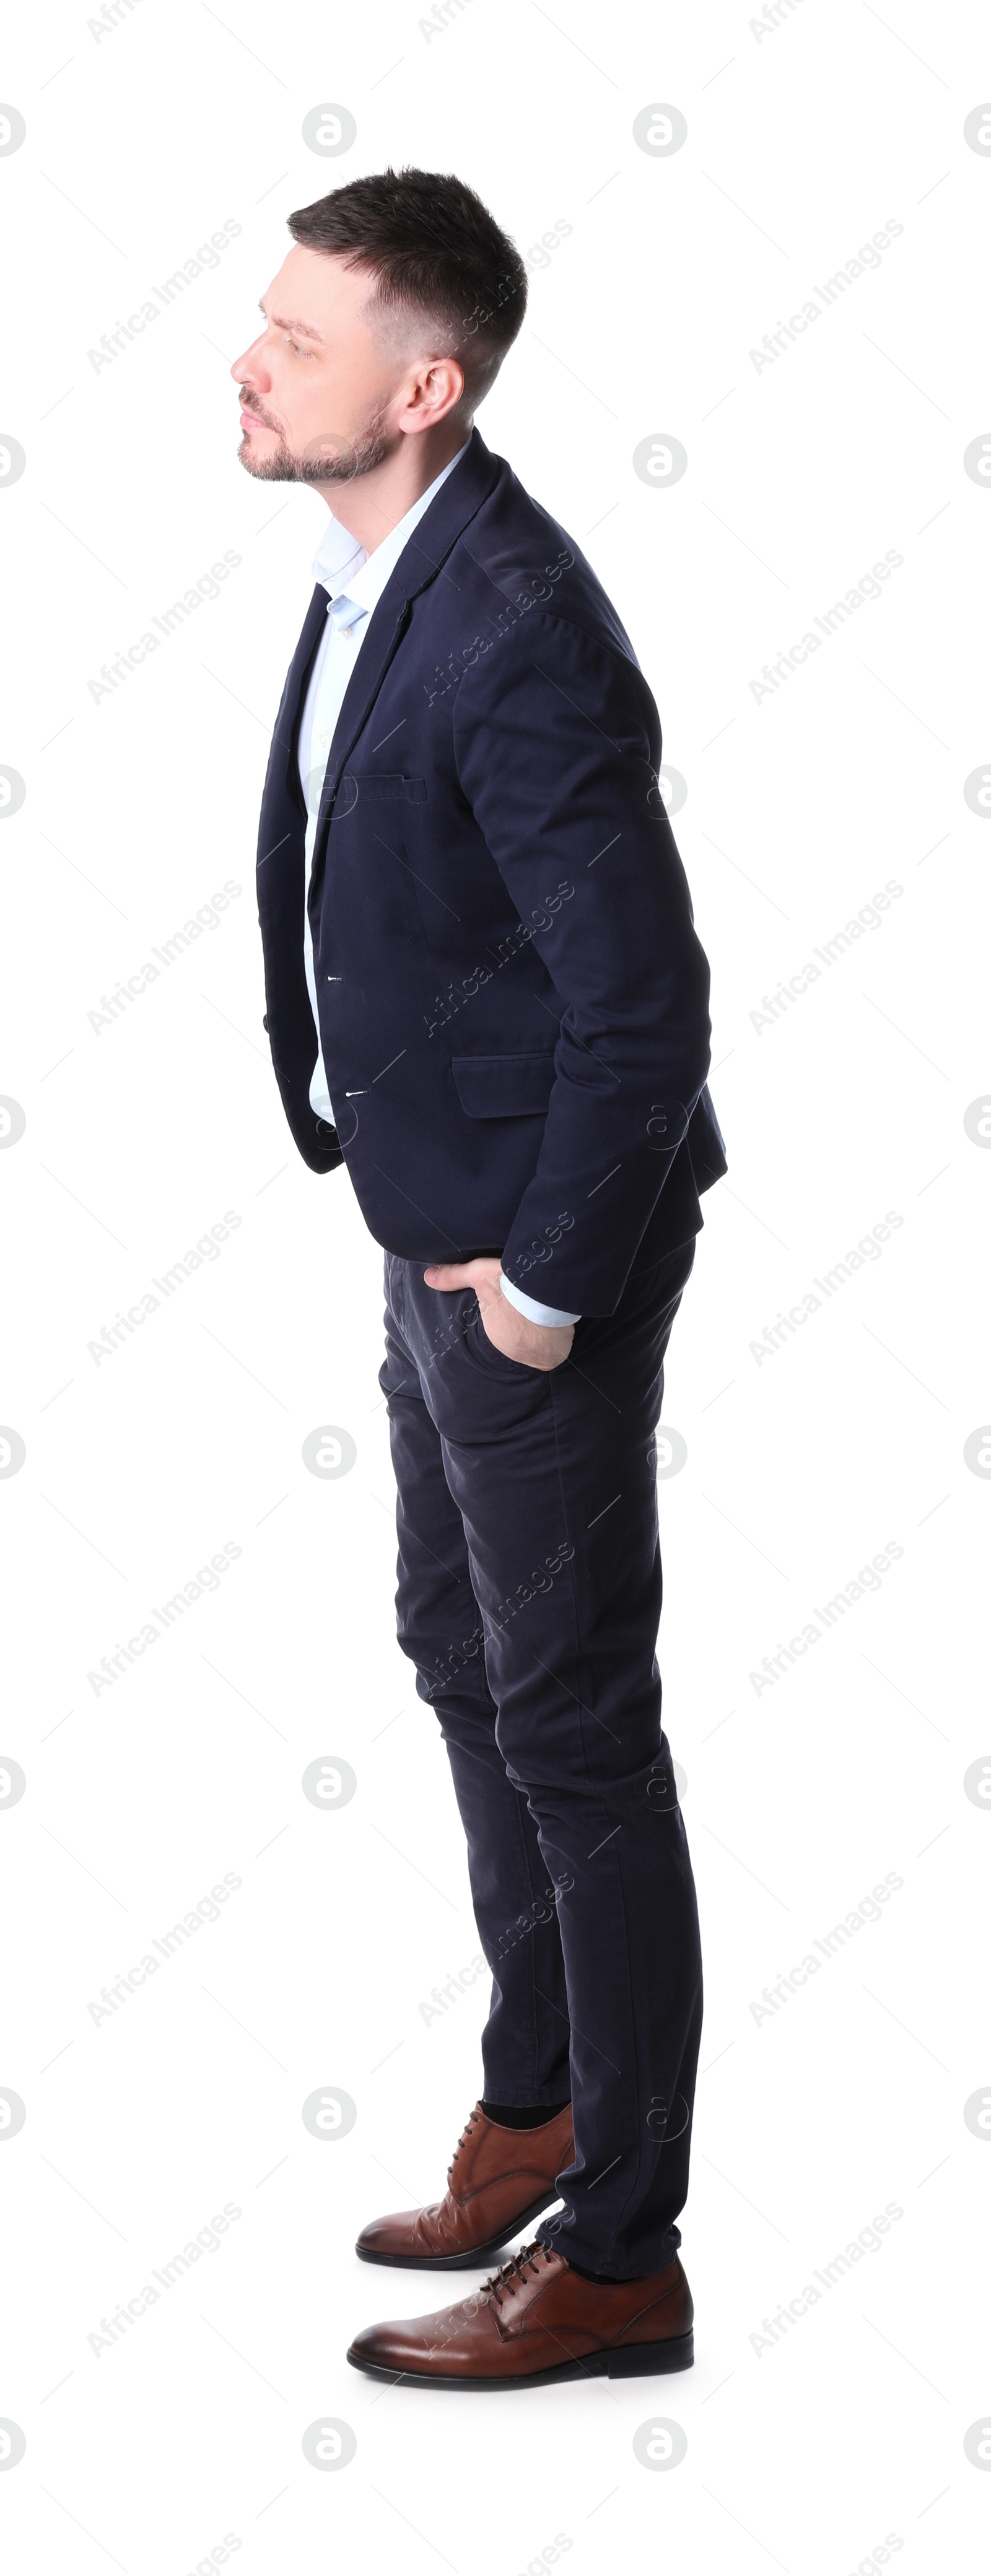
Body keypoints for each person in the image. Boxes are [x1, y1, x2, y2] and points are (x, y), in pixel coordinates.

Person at [233, 164, 726, 2390]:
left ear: (420, 388)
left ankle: (624, 2247)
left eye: (302, 340)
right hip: (430, 1231)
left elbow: (646, 1010)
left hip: (537, 1255)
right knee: (463, 1658)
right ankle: (537, 2104)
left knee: (579, 1729)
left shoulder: (512, 621)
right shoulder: (376, 574)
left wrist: (531, 1289)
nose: (251, 362)